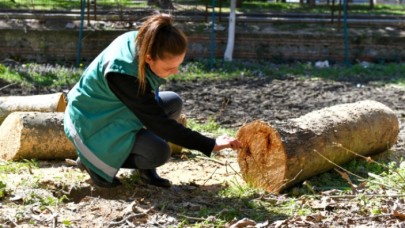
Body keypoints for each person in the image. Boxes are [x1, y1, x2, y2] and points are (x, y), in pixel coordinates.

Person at [64, 13, 242, 188]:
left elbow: (151, 106)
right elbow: (159, 123)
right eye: (170, 67)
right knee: (159, 152)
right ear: (149, 58)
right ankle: (93, 162)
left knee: (173, 102)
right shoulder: (123, 74)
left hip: (113, 112)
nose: (176, 72)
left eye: (178, 65)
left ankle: (145, 171)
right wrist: (210, 144)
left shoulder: (145, 40)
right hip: (91, 123)